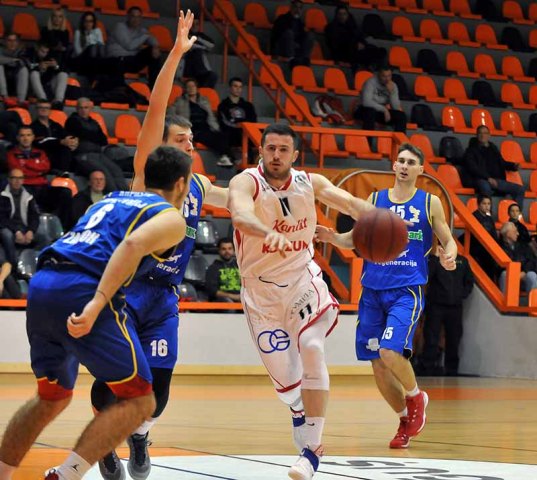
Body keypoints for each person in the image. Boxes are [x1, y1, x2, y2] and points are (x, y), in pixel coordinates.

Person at [89, 12, 229, 480]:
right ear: (163, 147)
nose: (190, 145)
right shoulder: (148, 177)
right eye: (181, 140)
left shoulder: (200, 186)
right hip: (128, 291)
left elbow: (241, 199)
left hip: (164, 298)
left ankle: (139, 436)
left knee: (158, 392)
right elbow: (156, 107)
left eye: (192, 140)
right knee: (113, 382)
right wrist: (175, 55)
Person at [0, 144, 191, 480]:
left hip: (44, 282)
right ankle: (67, 475)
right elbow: (131, 245)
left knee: (51, 396)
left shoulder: (110, 199)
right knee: (140, 400)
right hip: (83, 287)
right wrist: (97, 302)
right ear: (181, 183)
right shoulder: (171, 217)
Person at [228, 122, 374, 479]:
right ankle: (297, 408)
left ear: (295, 154)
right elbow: (240, 214)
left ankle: (312, 450)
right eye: (270, 149)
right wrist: (267, 232)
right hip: (260, 293)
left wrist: (379, 219)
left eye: (283, 150)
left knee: (311, 345)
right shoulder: (246, 182)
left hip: (301, 280)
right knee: (287, 387)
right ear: (261, 151)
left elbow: (350, 203)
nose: (276, 155)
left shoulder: (311, 183)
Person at [316, 143, 457, 450]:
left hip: (406, 289)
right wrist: (333, 237)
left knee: (390, 351)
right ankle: (405, 419)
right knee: (377, 365)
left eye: (411, 162)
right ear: (394, 166)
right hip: (372, 290)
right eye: (400, 161)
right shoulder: (375, 200)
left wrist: (450, 255)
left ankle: (416, 396)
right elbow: (355, 239)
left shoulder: (429, 202)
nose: (404, 166)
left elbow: (448, 239)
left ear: (420, 170)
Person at [418, 248, 474, 376]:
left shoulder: (462, 261)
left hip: (455, 306)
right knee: (431, 337)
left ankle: (452, 370)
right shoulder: (434, 260)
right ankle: (427, 367)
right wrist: (435, 259)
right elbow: (427, 276)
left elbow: (469, 281)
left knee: (454, 338)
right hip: (435, 305)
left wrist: (461, 295)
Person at [7, 126, 73, 229]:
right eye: (22, 135)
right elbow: (18, 171)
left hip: (42, 187)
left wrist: (27, 165)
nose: (26, 138)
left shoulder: (40, 153)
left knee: (65, 192)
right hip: (25, 187)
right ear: (18, 138)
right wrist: (37, 169)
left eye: (28, 135)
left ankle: (63, 228)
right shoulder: (11, 154)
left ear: (33, 137)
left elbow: (46, 167)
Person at [65, 97, 129, 191]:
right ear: (77, 109)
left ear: (90, 109)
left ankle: (125, 195)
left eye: (86, 107)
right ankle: (113, 195)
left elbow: (103, 140)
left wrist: (88, 135)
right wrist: (92, 136)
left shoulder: (93, 122)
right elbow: (83, 135)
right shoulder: (72, 121)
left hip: (98, 154)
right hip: (83, 155)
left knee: (116, 170)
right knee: (103, 173)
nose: (83, 110)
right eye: (81, 108)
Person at [169, 78, 234, 167]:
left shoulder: (204, 101)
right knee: (210, 136)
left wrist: (216, 128)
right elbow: (170, 114)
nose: (191, 88)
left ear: (197, 88)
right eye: (189, 86)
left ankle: (226, 157)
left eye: (193, 86)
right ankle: (229, 157)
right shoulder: (180, 101)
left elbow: (210, 117)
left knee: (223, 135)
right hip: (193, 129)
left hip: (206, 127)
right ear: (185, 89)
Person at [463, 125, 525, 208]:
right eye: (480, 133)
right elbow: (473, 168)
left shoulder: (493, 148)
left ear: (489, 135)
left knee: (520, 189)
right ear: (477, 135)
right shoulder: (470, 150)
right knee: (485, 187)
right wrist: (488, 178)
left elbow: (501, 162)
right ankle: (487, 214)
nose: (482, 135)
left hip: (496, 180)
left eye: (485, 133)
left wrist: (513, 166)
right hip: (480, 179)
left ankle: (516, 214)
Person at [106, 6, 162, 87]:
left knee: (153, 52)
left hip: (131, 59)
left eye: (138, 17)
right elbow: (129, 46)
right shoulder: (120, 27)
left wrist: (155, 46)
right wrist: (145, 36)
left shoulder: (141, 30)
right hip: (117, 60)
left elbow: (153, 40)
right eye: (133, 16)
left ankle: (154, 86)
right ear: (128, 17)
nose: (136, 19)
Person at [324, 4, 385, 71]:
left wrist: (362, 43)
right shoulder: (331, 28)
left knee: (381, 51)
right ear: (336, 15)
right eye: (340, 14)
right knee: (366, 55)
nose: (342, 16)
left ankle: (371, 67)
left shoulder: (351, 25)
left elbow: (359, 36)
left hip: (356, 50)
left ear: (348, 15)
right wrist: (355, 45)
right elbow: (336, 44)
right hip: (344, 54)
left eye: (344, 14)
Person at [0, 168, 40, 266]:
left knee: (43, 235)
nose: (17, 181)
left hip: (25, 227)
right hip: (8, 227)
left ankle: (41, 264)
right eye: (14, 178)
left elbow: (34, 216)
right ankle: (13, 265)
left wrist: (31, 230)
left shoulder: (29, 196)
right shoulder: (2, 195)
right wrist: (16, 231)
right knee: (7, 235)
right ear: (9, 179)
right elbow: (2, 218)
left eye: (20, 178)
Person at [354, 65, 407, 134]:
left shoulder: (393, 86)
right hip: (363, 110)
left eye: (389, 76)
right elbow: (366, 102)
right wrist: (384, 109)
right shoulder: (370, 82)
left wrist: (392, 93)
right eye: (384, 76)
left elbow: (395, 107)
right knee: (370, 112)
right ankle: (367, 140)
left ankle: (398, 140)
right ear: (378, 75)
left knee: (401, 116)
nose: (387, 79)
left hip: (380, 113)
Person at [31, 99, 77, 173]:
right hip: (43, 155)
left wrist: (74, 141)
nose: (44, 110)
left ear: (50, 110)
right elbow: (40, 142)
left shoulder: (56, 125)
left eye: (46, 108)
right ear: (36, 110)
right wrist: (60, 142)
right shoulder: (32, 127)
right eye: (41, 107)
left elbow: (66, 135)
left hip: (58, 154)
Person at [217, 77, 257, 158]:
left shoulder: (248, 106)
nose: (238, 89)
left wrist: (242, 125)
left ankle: (250, 158)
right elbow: (223, 123)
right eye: (235, 86)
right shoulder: (223, 105)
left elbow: (253, 121)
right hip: (231, 133)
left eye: (240, 87)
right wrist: (239, 125)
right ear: (230, 88)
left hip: (246, 132)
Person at [270, 0, 314, 67]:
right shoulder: (282, 18)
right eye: (296, 7)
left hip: (295, 48)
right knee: (289, 33)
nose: (298, 10)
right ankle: (291, 59)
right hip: (282, 47)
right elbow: (277, 36)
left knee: (310, 35)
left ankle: (304, 59)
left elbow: (302, 37)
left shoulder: (300, 23)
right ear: (291, 8)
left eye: (300, 8)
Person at [26, 41, 68, 110]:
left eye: (46, 52)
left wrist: (56, 66)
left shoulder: (50, 56)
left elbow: (63, 69)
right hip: (31, 86)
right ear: (37, 49)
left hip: (48, 85)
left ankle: (58, 101)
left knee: (63, 74)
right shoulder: (30, 54)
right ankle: (43, 100)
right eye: (42, 51)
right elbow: (27, 66)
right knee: (34, 73)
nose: (44, 54)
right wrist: (39, 67)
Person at [498, 221, 537, 293]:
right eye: (515, 232)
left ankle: (534, 299)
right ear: (508, 233)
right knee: (504, 274)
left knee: (532, 275)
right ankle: (504, 299)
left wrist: (524, 272)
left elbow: (532, 261)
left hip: (523, 275)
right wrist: (514, 273)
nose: (518, 234)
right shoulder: (499, 247)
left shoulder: (524, 246)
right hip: (509, 275)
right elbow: (498, 267)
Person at [178, 18, 217, 88]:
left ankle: (202, 90)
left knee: (213, 76)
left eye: (196, 24)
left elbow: (211, 45)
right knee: (196, 51)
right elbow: (187, 46)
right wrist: (202, 47)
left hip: (200, 70)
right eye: (192, 24)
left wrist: (198, 39)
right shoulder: (183, 34)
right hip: (186, 69)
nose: (194, 26)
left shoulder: (201, 36)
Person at [470, 194, 499, 279]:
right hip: (477, 246)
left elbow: (494, 235)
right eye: (484, 203)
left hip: (488, 246)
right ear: (478, 204)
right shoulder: (473, 216)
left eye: (488, 204)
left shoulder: (490, 219)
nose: (487, 206)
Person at [205, 237, 241, 302]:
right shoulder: (213, 268)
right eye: (224, 249)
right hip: (222, 300)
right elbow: (212, 291)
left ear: (234, 250)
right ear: (219, 250)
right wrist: (234, 297)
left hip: (241, 298)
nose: (227, 251)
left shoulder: (240, 266)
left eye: (230, 248)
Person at [72, 11, 106, 77]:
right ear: (83, 22)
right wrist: (88, 44)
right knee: (93, 48)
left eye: (90, 21)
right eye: (86, 21)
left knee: (99, 47)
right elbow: (78, 52)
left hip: (96, 57)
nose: (88, 23)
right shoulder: (78, 32)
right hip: (82, 58)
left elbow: (101, 46)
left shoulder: (97, 31)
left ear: (93, 22)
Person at [0, 33, 29, 107]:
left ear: (17, 42)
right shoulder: (0, 49)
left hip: (15, 77)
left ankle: (21, 101)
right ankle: (5, 97)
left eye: (14, 40)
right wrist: (12, 60)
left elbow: (23, 62)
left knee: (24, 70)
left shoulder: (21, 50)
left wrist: (5, 61)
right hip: (2, 78)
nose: (12, 43)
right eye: (9, 40)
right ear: (4, 42)